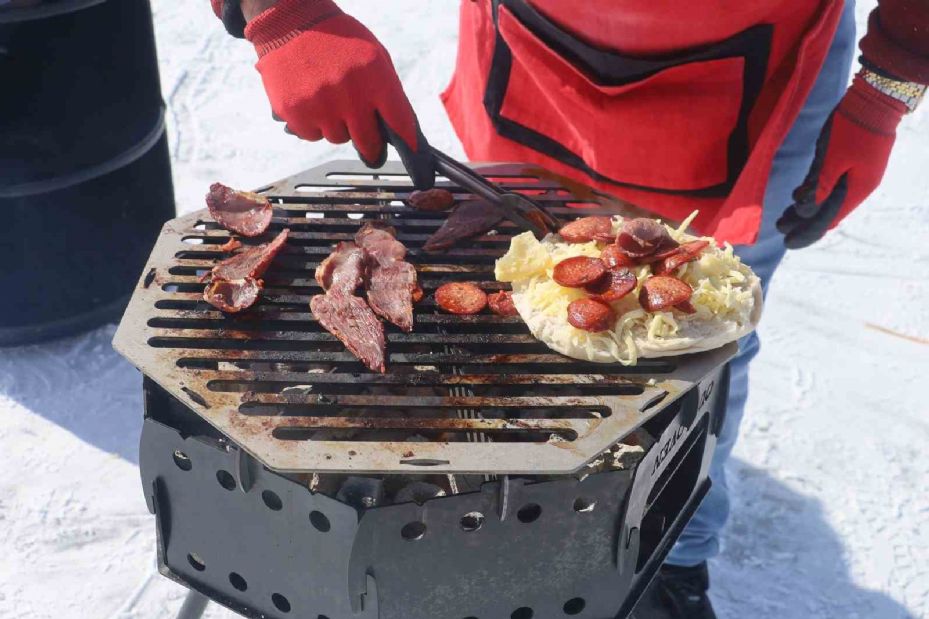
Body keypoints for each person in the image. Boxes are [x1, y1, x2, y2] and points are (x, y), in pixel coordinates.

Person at [210, 1, 928, 617]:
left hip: (761, 59)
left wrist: (887, 82)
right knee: (508, 303)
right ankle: (492, 512)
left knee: (702, 349)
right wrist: (285, 13)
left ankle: (672, 557)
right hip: (536, 39)